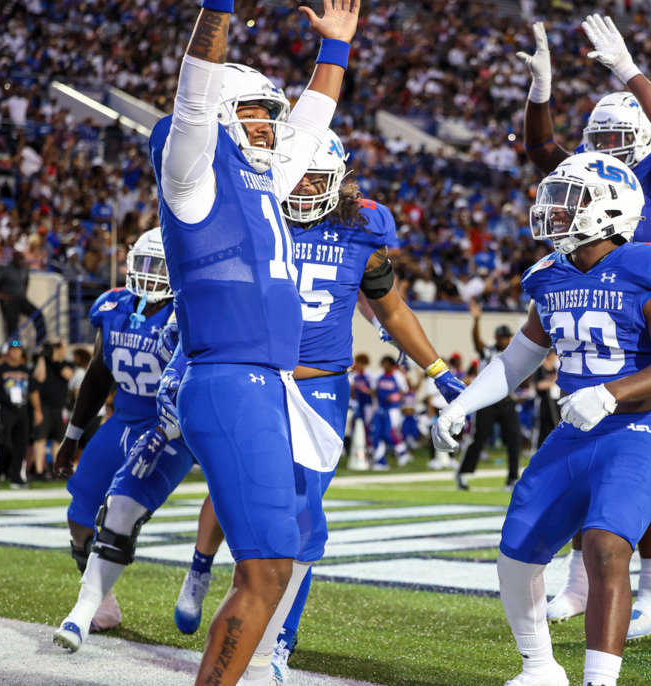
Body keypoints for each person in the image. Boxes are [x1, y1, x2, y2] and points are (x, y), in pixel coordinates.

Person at [170, 130, 464, 684]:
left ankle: (274, 642)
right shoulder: (249, 212)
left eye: (316, 176)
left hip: (320, 386)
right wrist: (178, 364)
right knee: (247, 499)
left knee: (303, 516)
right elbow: (201, 292)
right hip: (251, 377)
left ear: (340, 182)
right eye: (296, 173)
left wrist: (439, 372)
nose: (304, 187)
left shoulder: (363, 228)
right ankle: (202, 568)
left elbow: (390, 309)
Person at [144, 0, 360, 681]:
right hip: (232, 379)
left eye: (272, 112)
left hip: (265, 383)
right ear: (221, 120)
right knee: (266, 567)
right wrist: (218, 8)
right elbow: (194, 90)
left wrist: (336, 50)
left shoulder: (267, 177)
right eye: (256, 112)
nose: (270, 124)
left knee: (273, 563)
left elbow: (314, 118)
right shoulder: (193, 177)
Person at [434, 151, 651, 686]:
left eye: (570, 199)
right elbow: (516, 360)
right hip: (572, 435)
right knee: (515, 555)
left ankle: (599, 681)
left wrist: (611, 393)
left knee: (606, 548)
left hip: (633, 431)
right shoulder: (550, 277)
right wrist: (462, 403)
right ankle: (539, 667)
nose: (553, 209)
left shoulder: (644, 266)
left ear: (608, 209)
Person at [517, 14, 651, 637]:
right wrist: (541, 90)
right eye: (601, 140)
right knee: (582, 451)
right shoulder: (591, 181)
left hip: (647, 321)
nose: (609, 153)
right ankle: (582, 581)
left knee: (636, 467)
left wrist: (627, 71)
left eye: (622, 141)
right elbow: (543, 154)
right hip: (590, 314)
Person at [51, 228, 183, 650]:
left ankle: (199, 572)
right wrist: (72, 437)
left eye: (159, 266)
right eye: (143, 264)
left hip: (168, 424)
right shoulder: (113, 306)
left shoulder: (188, 313)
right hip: (123, 418)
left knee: (121, 513)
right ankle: (104, 602)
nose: (148, 275)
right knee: (79, 515)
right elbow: (97, 375)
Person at [456, 305, 521, 491]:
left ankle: (512, 478)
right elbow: (477, 342)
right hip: (488, 401)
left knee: (514, 438)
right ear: (498, 338)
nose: (507, 340)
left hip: (507, 401)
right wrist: (476, 320)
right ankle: (463, 473)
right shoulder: (489, 351)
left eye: (508, 337)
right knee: (479, 437)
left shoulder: (515, 354)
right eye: (504, 337)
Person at [0, 339, 32, 488]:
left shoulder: (26, 370)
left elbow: (34, 391)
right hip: (6, 409)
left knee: (21, 444)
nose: (15, 352)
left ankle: (16, 478)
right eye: (13, 350)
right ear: (8, 352)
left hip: (22, 409)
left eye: (18, 349)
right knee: (5, 443)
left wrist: (37, 410)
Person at [30, 338, 73, 481]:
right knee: (40, 438)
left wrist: (58, 360)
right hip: (44, 406)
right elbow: (39, 377)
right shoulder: (44, 362)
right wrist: (42, 356)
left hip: (60, 406)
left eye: (59, 346)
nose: (56, 349)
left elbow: (68, 375)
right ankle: (39, 471)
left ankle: (57, 470)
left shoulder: (65, 363)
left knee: (58, 440)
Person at [0, 251, 47, 345]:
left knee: (38, 314)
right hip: (11, 301)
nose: (21, 261)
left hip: (22, 299)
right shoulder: (6, 269)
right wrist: (1, 295)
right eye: (19, 259)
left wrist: (24, 292)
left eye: (22, 259)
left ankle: (41, 342)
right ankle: (15, 347)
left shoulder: (24, 269)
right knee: (12, 325)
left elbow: (26, 281)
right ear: (14, 258)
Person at [532, 349, 561, 449]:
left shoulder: (556, 370)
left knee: (556, 427)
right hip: (545, 403)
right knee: (544, 429)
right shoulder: (541, 370)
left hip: (556, 403)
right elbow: (539, 385)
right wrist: (554, 381)